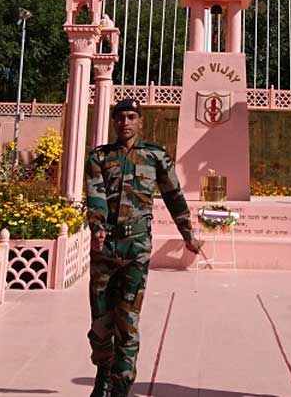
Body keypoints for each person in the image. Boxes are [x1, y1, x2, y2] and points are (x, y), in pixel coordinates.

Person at [85, 98, 203, 397]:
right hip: (105, 249)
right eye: (120, 117)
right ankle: (103, 374)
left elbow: (174, 196)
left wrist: (188, 234)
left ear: (140, 121)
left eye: (131, 117)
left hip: (136, 249)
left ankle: (120, 386)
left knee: (127, 322)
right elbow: (95, 195)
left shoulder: (155, 156)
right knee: (100, 325)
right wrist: (97, 227)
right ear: (114, 122)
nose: (125, 122)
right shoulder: (100, 156)